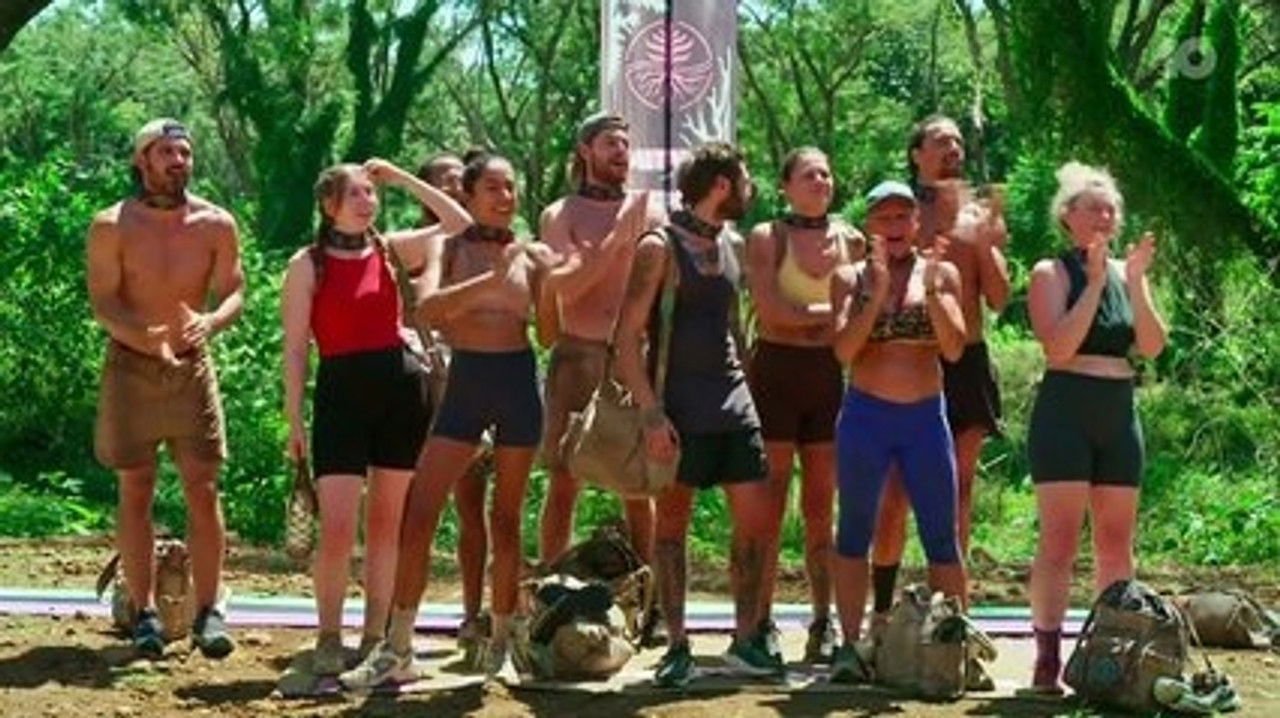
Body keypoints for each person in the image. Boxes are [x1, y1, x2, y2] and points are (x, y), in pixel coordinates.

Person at [340, 152, 557, 688]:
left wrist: (549, 283)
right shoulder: (450, 247)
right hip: (466, 384)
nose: (505, 197)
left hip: (516, 382)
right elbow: (427, 308)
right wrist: (489, 282)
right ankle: (398, 646)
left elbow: (550, 335)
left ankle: (502, 644)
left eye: (511, 188)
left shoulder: (530, 255)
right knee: (420, 512)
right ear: (470, 195)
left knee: (506, 519)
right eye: (494, 188)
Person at [280, 159, 469, 675]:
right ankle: (329, 636)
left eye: (371, 192)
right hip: (340, 394)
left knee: (387, 525)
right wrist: (294, 419)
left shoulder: (391, 249)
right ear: (329, 205)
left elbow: (459, 225)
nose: (368, 202)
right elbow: (295, 348)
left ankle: (373, 638)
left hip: (400, 392)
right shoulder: (307, 264)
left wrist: (402, 178)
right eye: (356, 194)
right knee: (338, 528)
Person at [613, 142, 777, 687]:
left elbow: (733, 328)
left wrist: (749, 388)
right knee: (672, 527)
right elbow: (625, 339)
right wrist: (651, 415)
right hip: (678, 407)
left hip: (733, 405)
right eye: (744, 180)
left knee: (755, 523)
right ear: (722, 185)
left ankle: (746, 639)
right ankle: (677, 645)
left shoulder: (731, 243)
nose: (751, 190)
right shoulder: (658, 247)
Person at [86, 118, 244, 658]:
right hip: (130, 367)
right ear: (143, 161)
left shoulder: (215, 223)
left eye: (185, 153)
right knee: (136, 486)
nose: (179, 162)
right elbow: (104, 302)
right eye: (167, 153)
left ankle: (209, 612)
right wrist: (141, 337)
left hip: (192, 367)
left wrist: (212, 321)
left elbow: (234, 290)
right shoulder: (111, 225)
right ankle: (145, 611)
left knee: (204, 486)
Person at [1024, 162, 1165, 693]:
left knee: (1115, 542)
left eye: (1111, 209)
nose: (1105, 217)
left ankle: (1113, 651)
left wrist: (1137, 280)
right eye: (1093, 208)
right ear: (1068, 216)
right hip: (1066, 409)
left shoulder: (1129, 273)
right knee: (1059, 540)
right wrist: (1096, 282)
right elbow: (1059, 347)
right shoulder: (1050, 273)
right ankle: (1046, 655)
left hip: (1118, 409)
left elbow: (1151, 346)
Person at [869, 115, 1010, 625]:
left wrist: (986, 243)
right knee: (895, 491)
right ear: (916, 154)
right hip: (907, 359)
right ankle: (880, 611)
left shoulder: (980, 213)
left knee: (958, 489)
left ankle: (951, 614)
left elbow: (999, 299)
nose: (952, 147)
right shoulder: (899, 212)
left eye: (957, 140)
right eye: (940, 140)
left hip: (966, 358)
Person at [827, 180, 967, 682]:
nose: (893, 227)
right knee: (854, 532)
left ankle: (953, 646)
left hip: (924, 419)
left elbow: (954, 347)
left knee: (941, 537)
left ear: (916, 223)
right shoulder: (849, 277)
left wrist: (929, 292)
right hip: (866, 417)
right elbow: (844, 351)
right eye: (883, 218)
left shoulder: (942, 273)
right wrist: (877, 293)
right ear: (869, 225)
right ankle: (849, 645)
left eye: (902, 217)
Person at [743, 147, 864, 664]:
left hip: (826, 379)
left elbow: (859, 312)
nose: (821, 181)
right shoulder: (768, 237)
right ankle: (760, 621)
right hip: (775, 374)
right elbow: (772, 312)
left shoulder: (852, 240)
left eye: (827, 173)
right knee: (768, 505)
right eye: (810, 174)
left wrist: (814, 316)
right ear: (786, 185)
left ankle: (823, 621)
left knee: (821, 507)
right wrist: (830, 316)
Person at [537, 113, 664, 565]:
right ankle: (551, 582)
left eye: (626, 144)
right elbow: (568, 287)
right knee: (564, 479)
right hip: (578, 355)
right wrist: (618, 234)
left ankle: (647, 588)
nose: (621, 152)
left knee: (638, 483)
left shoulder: (651, 212)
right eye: (611, 142)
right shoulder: (561, 214)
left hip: (633, 359)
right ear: (585, 150)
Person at [407, 148, 493, 655]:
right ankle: (398, 615)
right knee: (410, 505)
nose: (453, 188)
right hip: (417, 384)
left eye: (460, 180)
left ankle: (473, 612)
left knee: (470, 504)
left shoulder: (480, 246)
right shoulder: (410, 246)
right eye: (441, 181)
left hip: (467, 378)